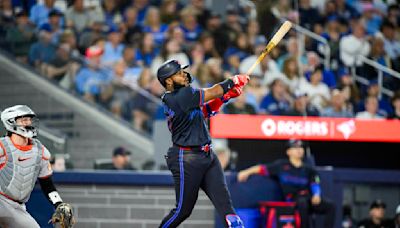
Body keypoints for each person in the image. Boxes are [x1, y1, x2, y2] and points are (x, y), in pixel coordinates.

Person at [157, 59, 248, 227]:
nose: (184, 75)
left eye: (183, 71)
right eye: (178, 73)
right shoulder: (176, 96)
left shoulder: (184, 98)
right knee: (183, 210)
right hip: (187, 158)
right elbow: (213, 91)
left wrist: (226, 97)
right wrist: (232, 82)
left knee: (228, 210)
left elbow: (204, 111)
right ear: (168, 81)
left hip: (206, 155)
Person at [0, 105, 74, 227]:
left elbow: (47, 185)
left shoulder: (40, 151)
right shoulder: (2, 146)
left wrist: (59, 204)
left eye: (29, 120)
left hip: (16, 207)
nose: (29, 123)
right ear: (10, 123)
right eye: (24, 120)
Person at [237, 139, 335, 228]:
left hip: (309, 198)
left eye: (301, 147)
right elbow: (261, 168)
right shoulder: (281, 166)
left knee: (330, 206)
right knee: (302, 203)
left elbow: (315, 183)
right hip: (292, 199)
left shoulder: (308, 168)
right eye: (295, 148)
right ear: (288, 152)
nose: (299, 150)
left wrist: (316, 195)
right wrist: (246, 172)